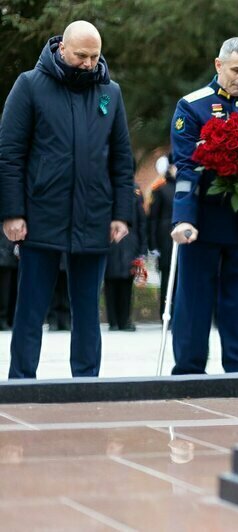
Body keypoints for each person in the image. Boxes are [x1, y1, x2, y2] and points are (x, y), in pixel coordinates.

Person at [0, 21, 134, 379]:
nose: (90, 63)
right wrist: (12, 212)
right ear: (62, 49)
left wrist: (121, 213)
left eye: (95, 56)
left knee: (88, 309)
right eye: (81, 55)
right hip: (41, 213)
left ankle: (87, 385)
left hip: (94, 216)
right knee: (31, 307)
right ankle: (21, 383)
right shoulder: (29, 86)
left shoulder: (110, 93)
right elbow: (9, 155)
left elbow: (121, 158)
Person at [169, 37, 238, 374]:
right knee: (194, 300)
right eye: (236, 70)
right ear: (218, 66)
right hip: (203, 220)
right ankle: (189, 373)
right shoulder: (192, 106)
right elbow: (186, 168)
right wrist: (183, 218)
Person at [105, 186, 147, 331]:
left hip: (130, 243)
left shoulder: (135, 194)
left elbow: (141, 223)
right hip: (110, 242)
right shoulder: (106, 190)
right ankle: (113, 321)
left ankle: (124, 320)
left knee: (126, 284)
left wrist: (142, 250)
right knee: (110, 283)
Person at [148, 154, 177, 318]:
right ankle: (166, 313)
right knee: (167, 277)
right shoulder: (160, 190)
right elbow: (153, 219)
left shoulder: (187, 188)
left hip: (185, 240)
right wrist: (152, 245)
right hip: (166, 240)